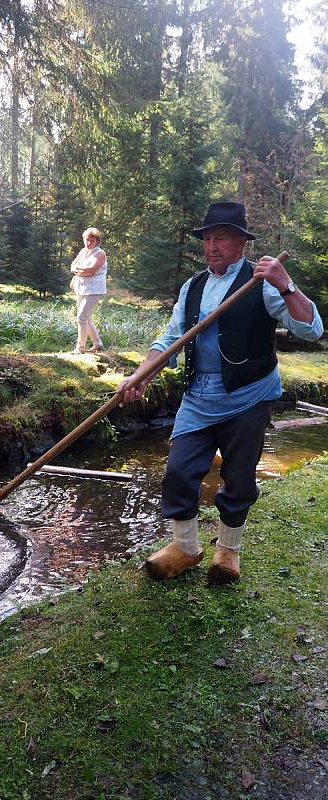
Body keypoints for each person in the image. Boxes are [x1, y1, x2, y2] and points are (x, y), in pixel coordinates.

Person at [118, 201, 323, 585]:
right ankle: (185, 547)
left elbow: (311, 329)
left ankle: (228, 552)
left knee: (239, 476)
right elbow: (171, 338)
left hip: (249, 395)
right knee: (179, 470)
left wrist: (286, 283)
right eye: (208, 238)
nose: (213, 246)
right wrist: (142, 375)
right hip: (199, 396)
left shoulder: (261, 282)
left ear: (241, 243)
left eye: (222, 238)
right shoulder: (192, 286)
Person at [70, 227, 107, 354]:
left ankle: (80, 348)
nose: (89, 242)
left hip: (94, 289)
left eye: (92, 240)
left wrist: (78, 270)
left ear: (97, 241)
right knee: (86, 318)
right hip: (82, 288)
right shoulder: (83, 251)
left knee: (81, 317)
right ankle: (98, 344)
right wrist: (79, 269)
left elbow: (92, 270)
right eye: (87, 240)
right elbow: (73, 265)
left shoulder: (100, 253)